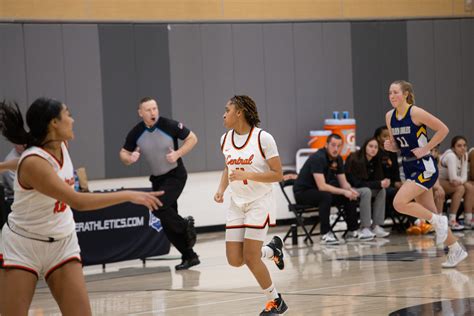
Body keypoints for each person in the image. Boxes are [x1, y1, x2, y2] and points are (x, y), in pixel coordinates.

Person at [0, 98, 164, 315]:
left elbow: (24, 161)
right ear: (54, 123)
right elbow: (77, 201)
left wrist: (2, 165)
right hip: (24, 245)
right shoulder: (33, 163)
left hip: (62, 242)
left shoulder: (61, 146)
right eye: (68, 114)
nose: (73, 119)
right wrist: (128, 195)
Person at [214, 95, 287, 315]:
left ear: (240, 112)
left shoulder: (264, 138)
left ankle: (275, 301)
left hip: (259, 202)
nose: (223, 114)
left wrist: (249, 174)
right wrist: (221, 189)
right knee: (235, 260)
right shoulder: (224, 139)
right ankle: (272, 249)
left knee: (251, 258)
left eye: (227, 110)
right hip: (237, 203)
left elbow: (278, 174)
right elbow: (228, 168)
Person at [384, 80, 468, 268]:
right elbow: (399, 145)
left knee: (399, 203)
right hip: (408, 166)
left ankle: (439, 220)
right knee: (430, 214)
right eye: (390, 93)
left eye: (396, 92)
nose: (392, 96)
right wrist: (392, 146)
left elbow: (443, 129)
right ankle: (455, 248)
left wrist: (427, 148)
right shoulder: (389, 116)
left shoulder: (415, 112)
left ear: (406, 94)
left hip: (425, 166)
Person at [120, 97, 199, 270]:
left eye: (154, 108)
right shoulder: (136, 132)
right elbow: (123, 153)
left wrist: (178, 154)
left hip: (175, 176)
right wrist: (129, 158)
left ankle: (186, 226)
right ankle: (190, 256)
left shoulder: (169, 125)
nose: (152, 112)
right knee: (167, 223)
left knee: (158, 206)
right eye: (148, 110)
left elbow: (192, 138)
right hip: (158, 180)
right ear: (141, 113)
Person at [293, 134, 360, 244]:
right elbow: (322, 186)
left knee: (349, 196)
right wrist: (344, 192)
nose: (336, 149)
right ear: (326, 145)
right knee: (326, 196)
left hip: (319, 192)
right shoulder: (318, 158)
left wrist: (350, 191)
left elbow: (343, 183)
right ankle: (325, 233)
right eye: (333, 145)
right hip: (303, 193)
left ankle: (352, 230)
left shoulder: (338, 159)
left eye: (339, 146)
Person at [345, 137, 390, 239]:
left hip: (365, 188)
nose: (373, 149)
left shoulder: (375, 161)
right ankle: (365, 227)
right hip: (351, 189)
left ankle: (376, 225)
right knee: (367, 191)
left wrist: (384, 183)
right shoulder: (354, 158)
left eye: (376, 147)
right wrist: (378, 183)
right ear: (365, 147)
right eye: (370, 146)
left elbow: (376, 181)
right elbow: (356, 183)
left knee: (381, 191)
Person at [439, 136, 474, 229]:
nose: (463, 148)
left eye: (464, 145)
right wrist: (460, 181)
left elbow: (464, 177)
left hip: (452, 182)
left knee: (470, 187)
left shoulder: (465, 155)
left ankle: (468, 219)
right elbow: (452, 178)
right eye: (459, 146)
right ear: (453, 148)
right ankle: (452, 220)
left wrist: (460, 181)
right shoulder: (451, 156)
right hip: (438, 181)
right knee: (461, 188)